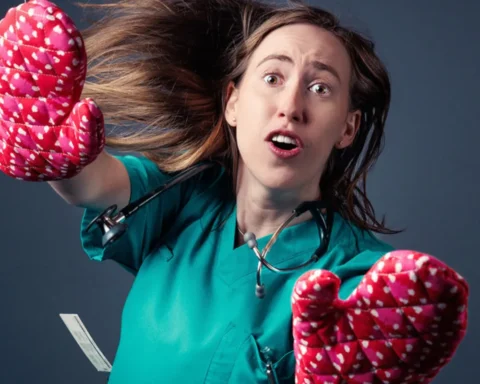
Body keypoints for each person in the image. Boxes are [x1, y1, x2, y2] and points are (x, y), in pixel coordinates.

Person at [0, 0, 468, 383]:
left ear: (347, 128)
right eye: (272, 78)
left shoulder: (362, 277)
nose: (291, 106)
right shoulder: (181, 196)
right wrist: (48, 149)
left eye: (321, 88)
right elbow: (93, 183)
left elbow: (386, 334)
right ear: (233, 103)